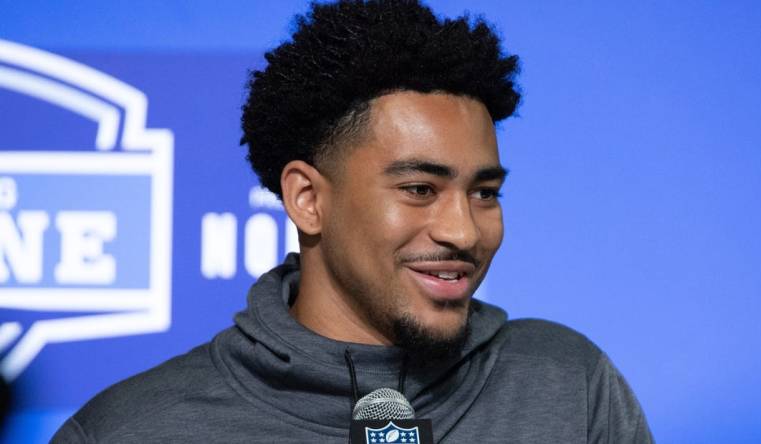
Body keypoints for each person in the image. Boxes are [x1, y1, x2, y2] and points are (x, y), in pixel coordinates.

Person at [53, 1, 653, 442]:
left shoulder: (569, 384)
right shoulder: (131, 430)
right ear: (307, 199)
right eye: (420, 189)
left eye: (485, 192)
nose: (465, 233)